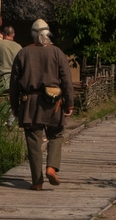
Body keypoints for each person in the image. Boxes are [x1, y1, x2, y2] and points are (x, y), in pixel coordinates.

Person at [9, 19, 74, 191]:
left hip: (30, 104)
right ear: (47, 34)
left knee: (33, 141)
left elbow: (14, 83)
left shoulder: (22, 53)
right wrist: (70, 103)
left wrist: (14, 106)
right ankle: (51, 167)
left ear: (33, 35)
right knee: (56, 134)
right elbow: (67, 80)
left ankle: (37, 182)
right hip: (53, 104)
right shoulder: (57, 52)